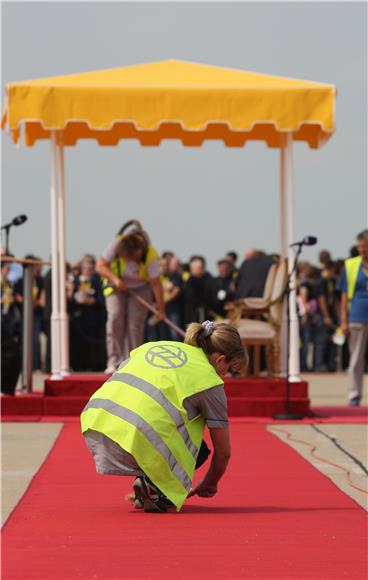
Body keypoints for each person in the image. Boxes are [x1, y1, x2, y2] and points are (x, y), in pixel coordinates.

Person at [81, 320, 247, 513]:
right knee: (197, 447)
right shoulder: (209, 382)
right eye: (228, 369)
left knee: (164, 417)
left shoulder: (157, 345)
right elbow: (223, 452)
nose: (225, 375)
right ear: (220, 360)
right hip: (137, 436)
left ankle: (146, 482)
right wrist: (209, 483)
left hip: (98, 420)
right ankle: (156, 488)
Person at [96, 220, 165, 374]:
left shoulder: (150, 255)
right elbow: (100, 266)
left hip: (141, 288)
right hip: (116, 287)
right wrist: (115, 279)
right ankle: (114, 361)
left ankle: (132, 361)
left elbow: (156, 284)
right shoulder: (115, 245)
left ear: (139, 251)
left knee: (135, 325)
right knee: (115, 319)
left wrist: (160, 309)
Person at [338, 230, 368, 406]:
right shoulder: (350, 265)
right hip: (357, 315)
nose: (362, 250)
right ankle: (354, 395)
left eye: (365, 247)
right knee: (356, 358)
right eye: (360, 247)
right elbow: (343, 295)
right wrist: (343, 319)